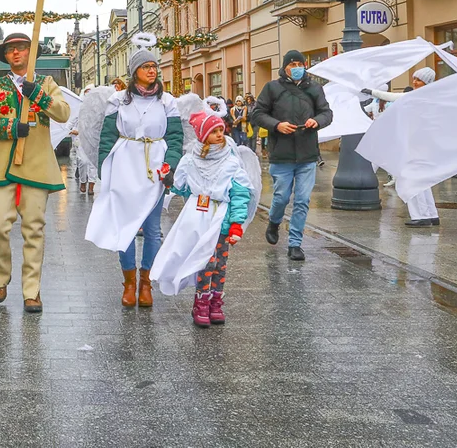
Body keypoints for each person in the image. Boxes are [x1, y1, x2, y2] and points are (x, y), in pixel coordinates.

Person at [0, 33, 71, 313]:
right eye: (11, 50)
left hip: (37, 166)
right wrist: (9, 127)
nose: (16, 53)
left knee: (33, 230)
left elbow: (63, 113)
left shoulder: (46, 83)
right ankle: (0, 277)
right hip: (4, 165)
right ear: (5, 57)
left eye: (22, 48)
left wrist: (36, 94)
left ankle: (31, 290)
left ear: (32, 53)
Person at [84, 35, 183, 308]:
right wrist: (106, 168)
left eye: (154, 66)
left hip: (155, 167)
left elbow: (175, 138)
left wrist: (171, 165)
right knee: (124, 227)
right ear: (134, 72)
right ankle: (128, 282)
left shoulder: (167, 102)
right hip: (125, 166)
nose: (152, 70)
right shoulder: (118, 100)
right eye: (146, 66)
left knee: (152, 229)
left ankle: (146, 282)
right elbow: (106, 137)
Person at [153, 109, 253, 328]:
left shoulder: (231, 162)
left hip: (221, 219)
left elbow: (240, 193)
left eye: (221, 130)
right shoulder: (191, 161)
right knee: (205, 261)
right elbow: (183, 188)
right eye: (214, 131)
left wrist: (236, 223)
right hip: (197, 217)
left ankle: (216, 303)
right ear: (202, 135)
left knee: (220, 264)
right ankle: (201, 303)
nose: (220, 134)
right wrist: (168, 179)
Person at [250, 50, 332, 261]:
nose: (297, 67)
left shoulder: (314, 88)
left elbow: (326, 112)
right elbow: (258, 114)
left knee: (302, 200)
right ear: (285, 67)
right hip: (282, 154)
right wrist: (277, 125)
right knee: (281, 198)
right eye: (292, 64)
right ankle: (274, 222)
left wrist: (318, 121)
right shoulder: (272, 88)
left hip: (307, 155)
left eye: (300, 63)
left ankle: (295, 244)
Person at [363, 67, 441, 227]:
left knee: (410, 179)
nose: (414, 82)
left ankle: (421, 216)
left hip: (415, 144)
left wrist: (372, 91)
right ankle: (431, 214)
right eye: (414, 78)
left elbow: (393, 96)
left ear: (426, 82)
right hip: (421, 144)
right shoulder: (430, 96)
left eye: (418, 80)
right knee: (422, 181)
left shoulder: (420, 96)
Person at [67, 85, 98, 195]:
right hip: (80, 138)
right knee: (83, 161)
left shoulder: (97, 107)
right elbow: (71, 122)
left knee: (93, 163)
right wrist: (71, 130)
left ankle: (91, 186)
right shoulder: (79, 107)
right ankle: (83, 181)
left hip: (93, 138)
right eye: (87, 92)